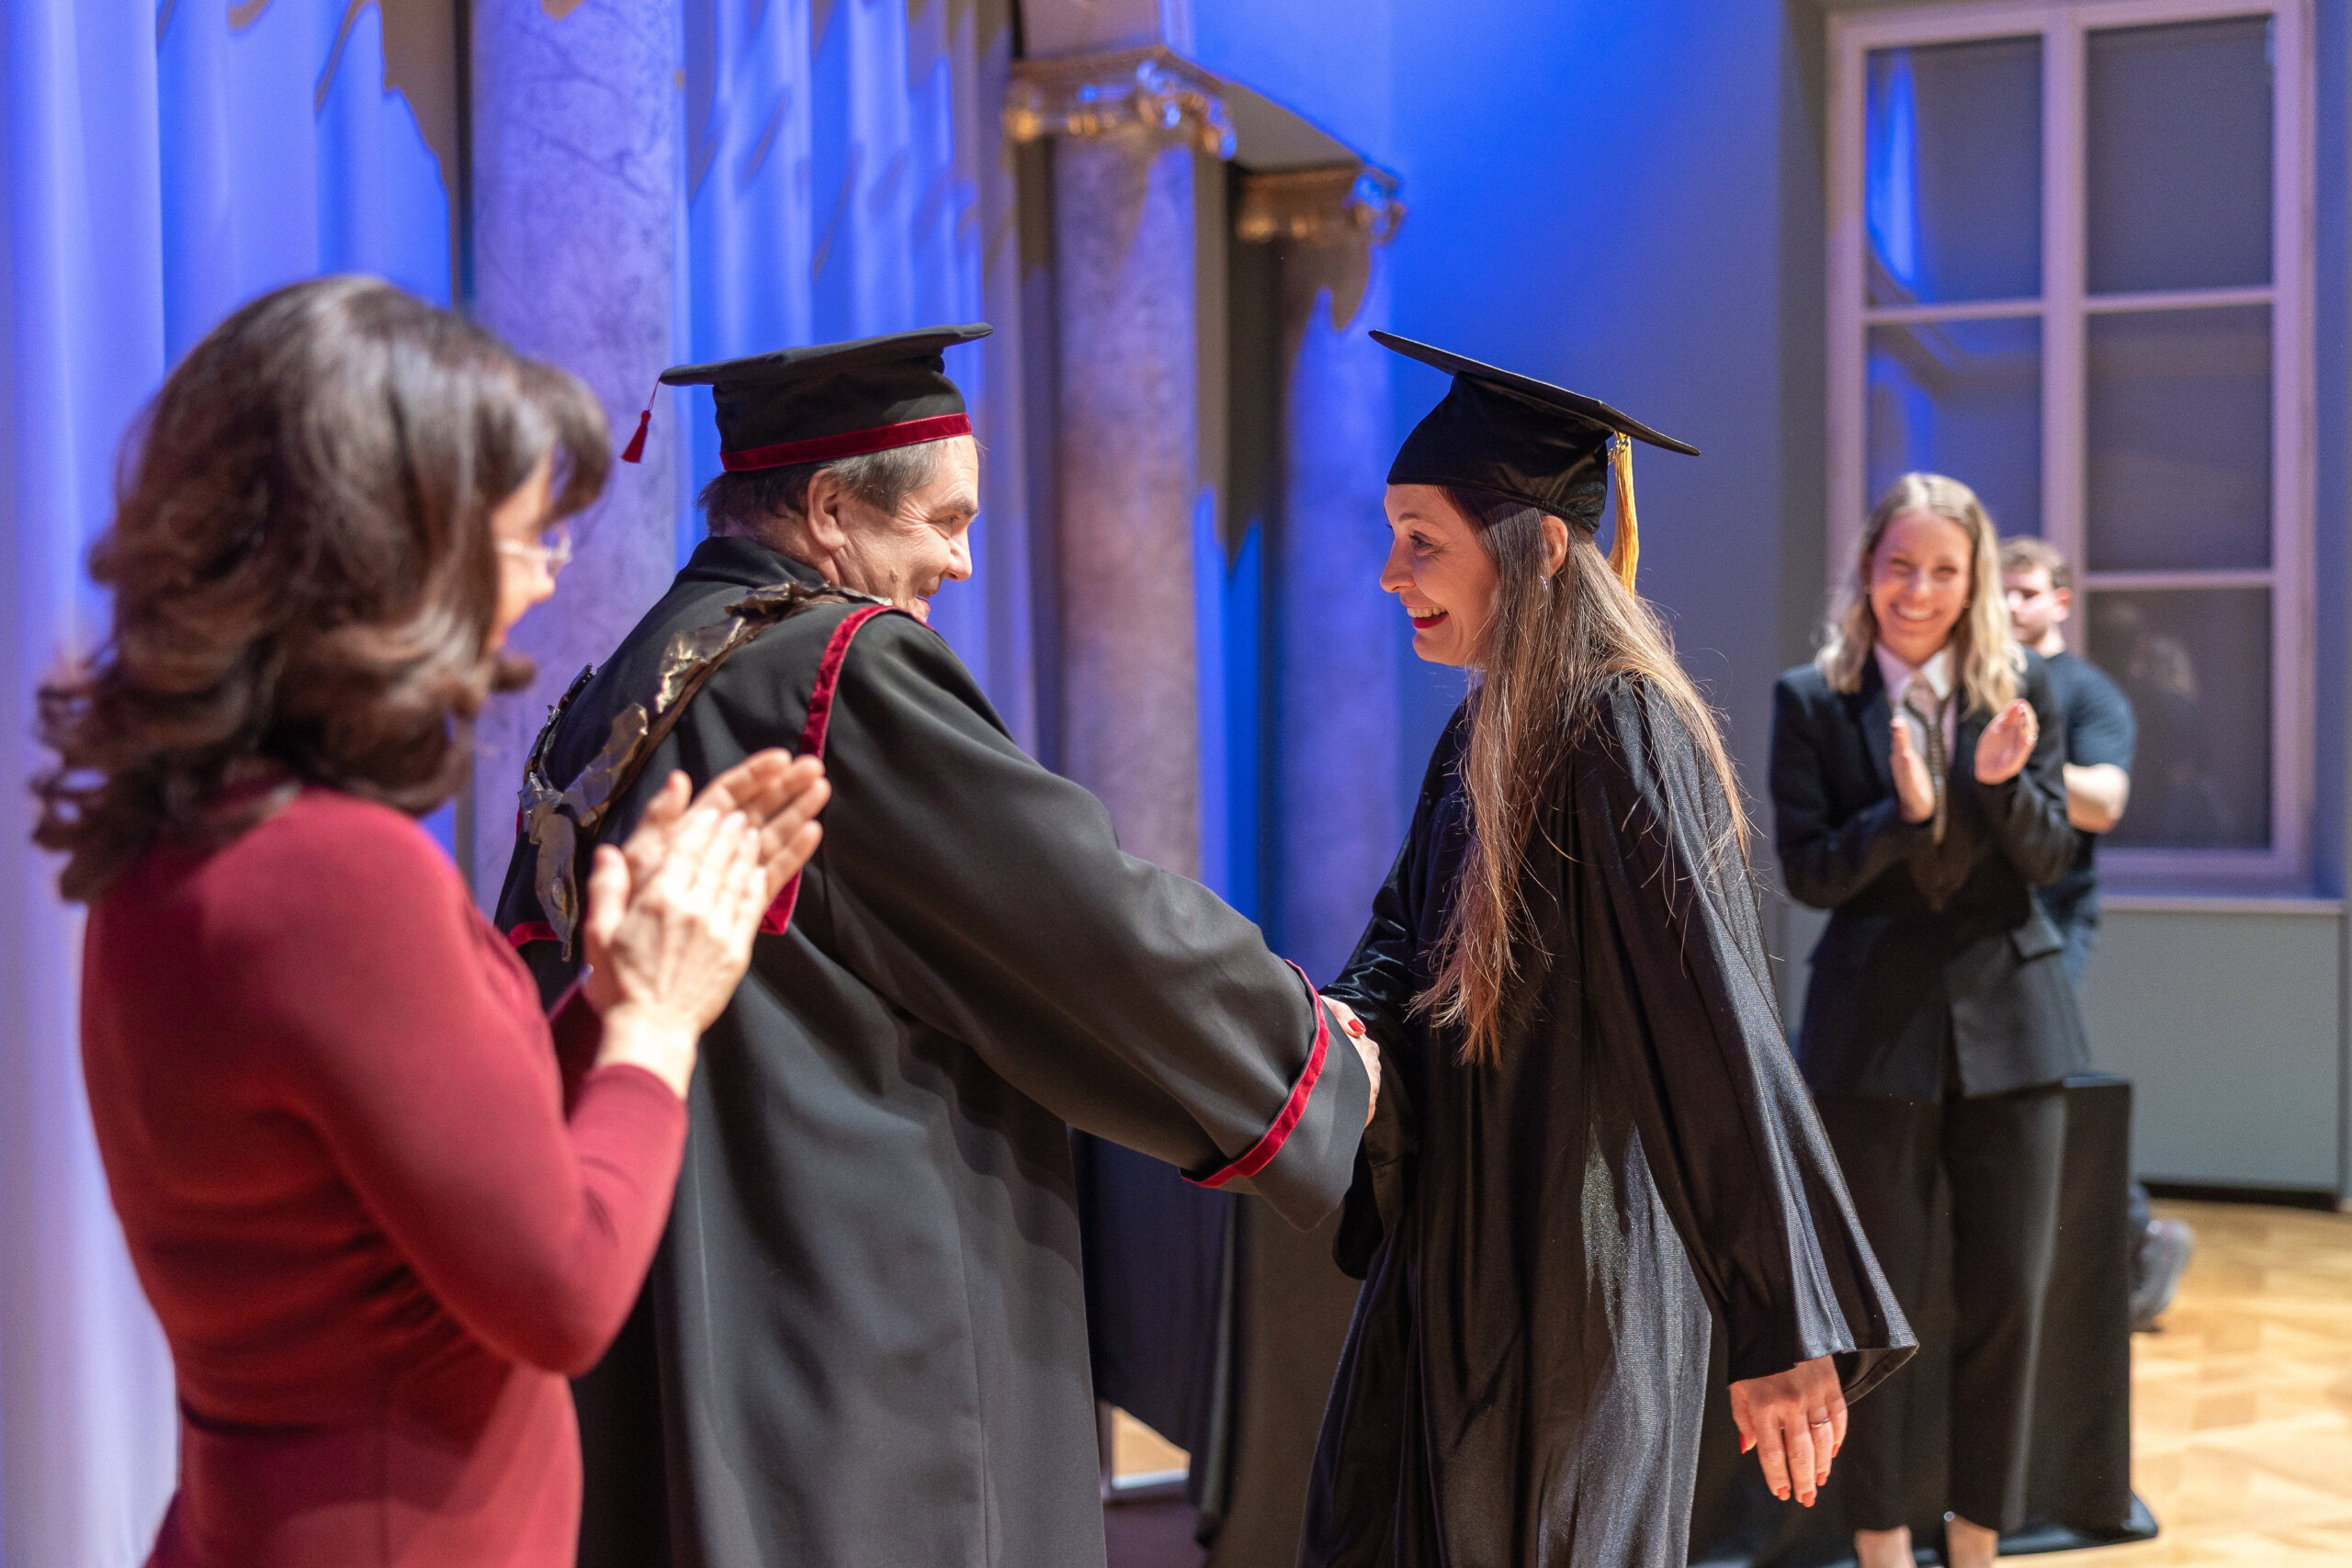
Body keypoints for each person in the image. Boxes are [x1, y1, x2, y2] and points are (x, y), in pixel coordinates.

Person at [492, 325, 1379, 1568]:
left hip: (672, 1309)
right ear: (831, 507)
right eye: (942, 522)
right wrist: (1315, 1058)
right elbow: (1084, 922)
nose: (961, 562)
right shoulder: (832, 667)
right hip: (853, 1321)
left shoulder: (627, 686)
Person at [36, 276, 832, 1568]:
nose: (538, 588)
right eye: (527, 541)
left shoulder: (189, 834)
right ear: (387, 557)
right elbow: (563, 1289)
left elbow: (426, 1177)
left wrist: (610, 998)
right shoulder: (335, 877)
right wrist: (660, 1024)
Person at [1301, 333, 1913, 1568]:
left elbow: (1709, 1027)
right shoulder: (1491, 722)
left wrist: (1777, 1315)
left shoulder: (1614, 726)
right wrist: (1336, 1030)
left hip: (1573, 1265)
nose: (1389, 571)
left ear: (1532, 546)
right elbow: (1395, 944)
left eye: (1422, 537)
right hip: (1462, 1244)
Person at [1771, 473, 2086, 1568]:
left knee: (2009, 1301)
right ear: (1866, 569)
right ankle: (1879, 1543)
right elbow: (1808, 873)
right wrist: (1901, 819)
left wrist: (1997, 787)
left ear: (1976, 579)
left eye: (1944, 569)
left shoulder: (2023, 686)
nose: (1919, 589)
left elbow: (2051, 860)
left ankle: (1979, 1540)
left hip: (2016, 1031)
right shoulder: (1813, 696)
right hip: (1870, 1038)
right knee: (1874, 1312)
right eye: (1899, 564)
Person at [2000, 536, 2192, 1329]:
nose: (2011, 606)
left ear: (2061, 601)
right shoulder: (1981, 680)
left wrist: (2007, 762)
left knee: (2048, 1071)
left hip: (2055, 913)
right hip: (1978, 913)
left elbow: (2104, 802)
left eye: (2026, 592)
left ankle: (2140, 1234)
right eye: (1999, 592)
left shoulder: (2090, 694)